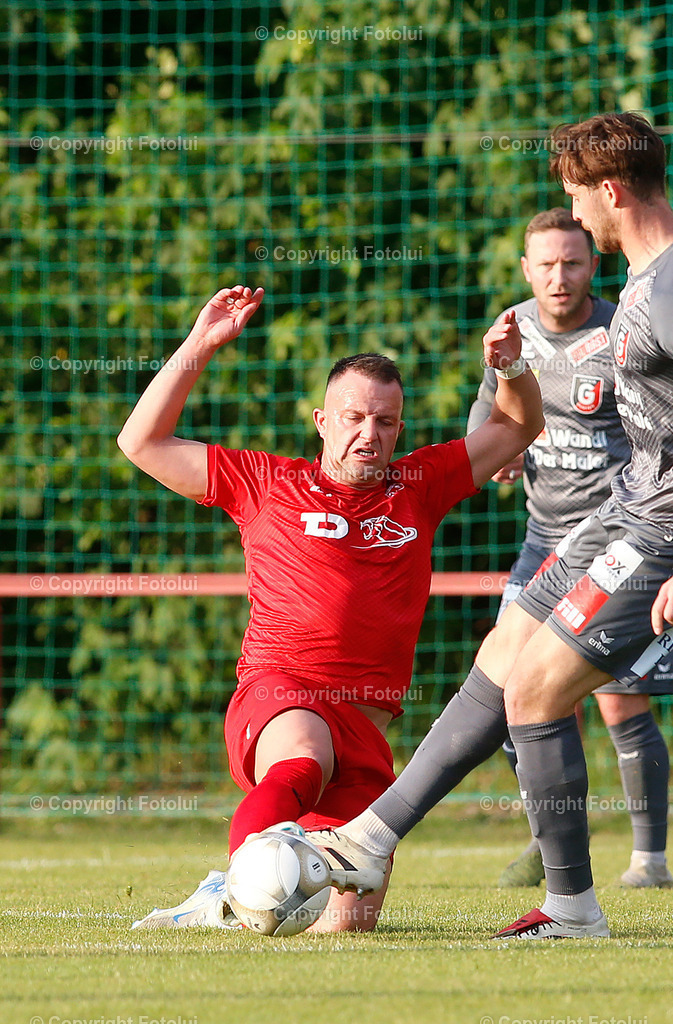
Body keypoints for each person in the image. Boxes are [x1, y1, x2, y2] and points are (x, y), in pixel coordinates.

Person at [304, 111, 673, 939]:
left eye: (576, 200)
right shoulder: (657, 270)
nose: (575, 216)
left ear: (611, 190)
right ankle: (368, 839)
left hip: (669, 529)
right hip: (627, 507)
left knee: (538, 691)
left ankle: (572, 908)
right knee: (504, 654)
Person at [118, 284, 543, 932]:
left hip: (365, 727)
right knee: (302, 758)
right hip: (281, 693)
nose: (369, 434)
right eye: (353, 417)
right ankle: (232, 885)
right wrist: (199, 344)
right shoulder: (267, 483)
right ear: (322, 420)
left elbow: (517, 425)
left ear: (400, 427)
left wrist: (510, 367)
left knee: (348, 924)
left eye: (385, 421)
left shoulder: (419, 486)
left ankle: (231, 906)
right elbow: (141, 442)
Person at [467, 207, 673, 891]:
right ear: (527, 270)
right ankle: (552, 835)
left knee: (622, 701)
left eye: (573, 262)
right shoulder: (513, 328)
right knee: (506, 691)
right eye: (547, 264)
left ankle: (650, 861)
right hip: (543, 547)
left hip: (621, 544)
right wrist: (488, 449)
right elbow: (488, 407)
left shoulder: (622, 330)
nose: (560, 277)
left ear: (593, 265)